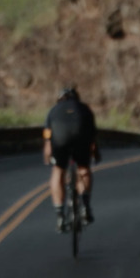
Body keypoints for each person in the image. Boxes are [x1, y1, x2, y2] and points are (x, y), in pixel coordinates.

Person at [43, 86, 99, 232]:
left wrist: (48, 155)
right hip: (81, 137)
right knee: (83, 168)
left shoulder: (54, 111)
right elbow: (92, 136)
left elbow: (48, 139)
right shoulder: (84, 109)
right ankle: (85, 207)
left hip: (60, 140)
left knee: (58, 171)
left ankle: (60, 215)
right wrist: (94, 153)